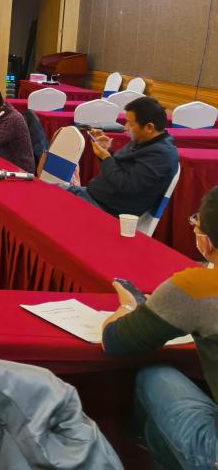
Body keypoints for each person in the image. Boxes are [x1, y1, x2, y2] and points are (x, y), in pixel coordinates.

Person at [101, 186, 218, 468]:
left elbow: (114, 341)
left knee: (154, 377)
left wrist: (129, 307)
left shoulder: (197, 287)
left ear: (207, 243)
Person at [65, 96, 179, 217]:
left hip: (106, 209)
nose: (125, 127)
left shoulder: (162, 155)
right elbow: (120, 168)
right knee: (50, 190)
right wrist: (107, 151)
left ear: (149, 127)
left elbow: (127, 186)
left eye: (130, 123)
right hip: (93, 195)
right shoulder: (145, 141)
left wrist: (106, 158)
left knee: (51, 201)